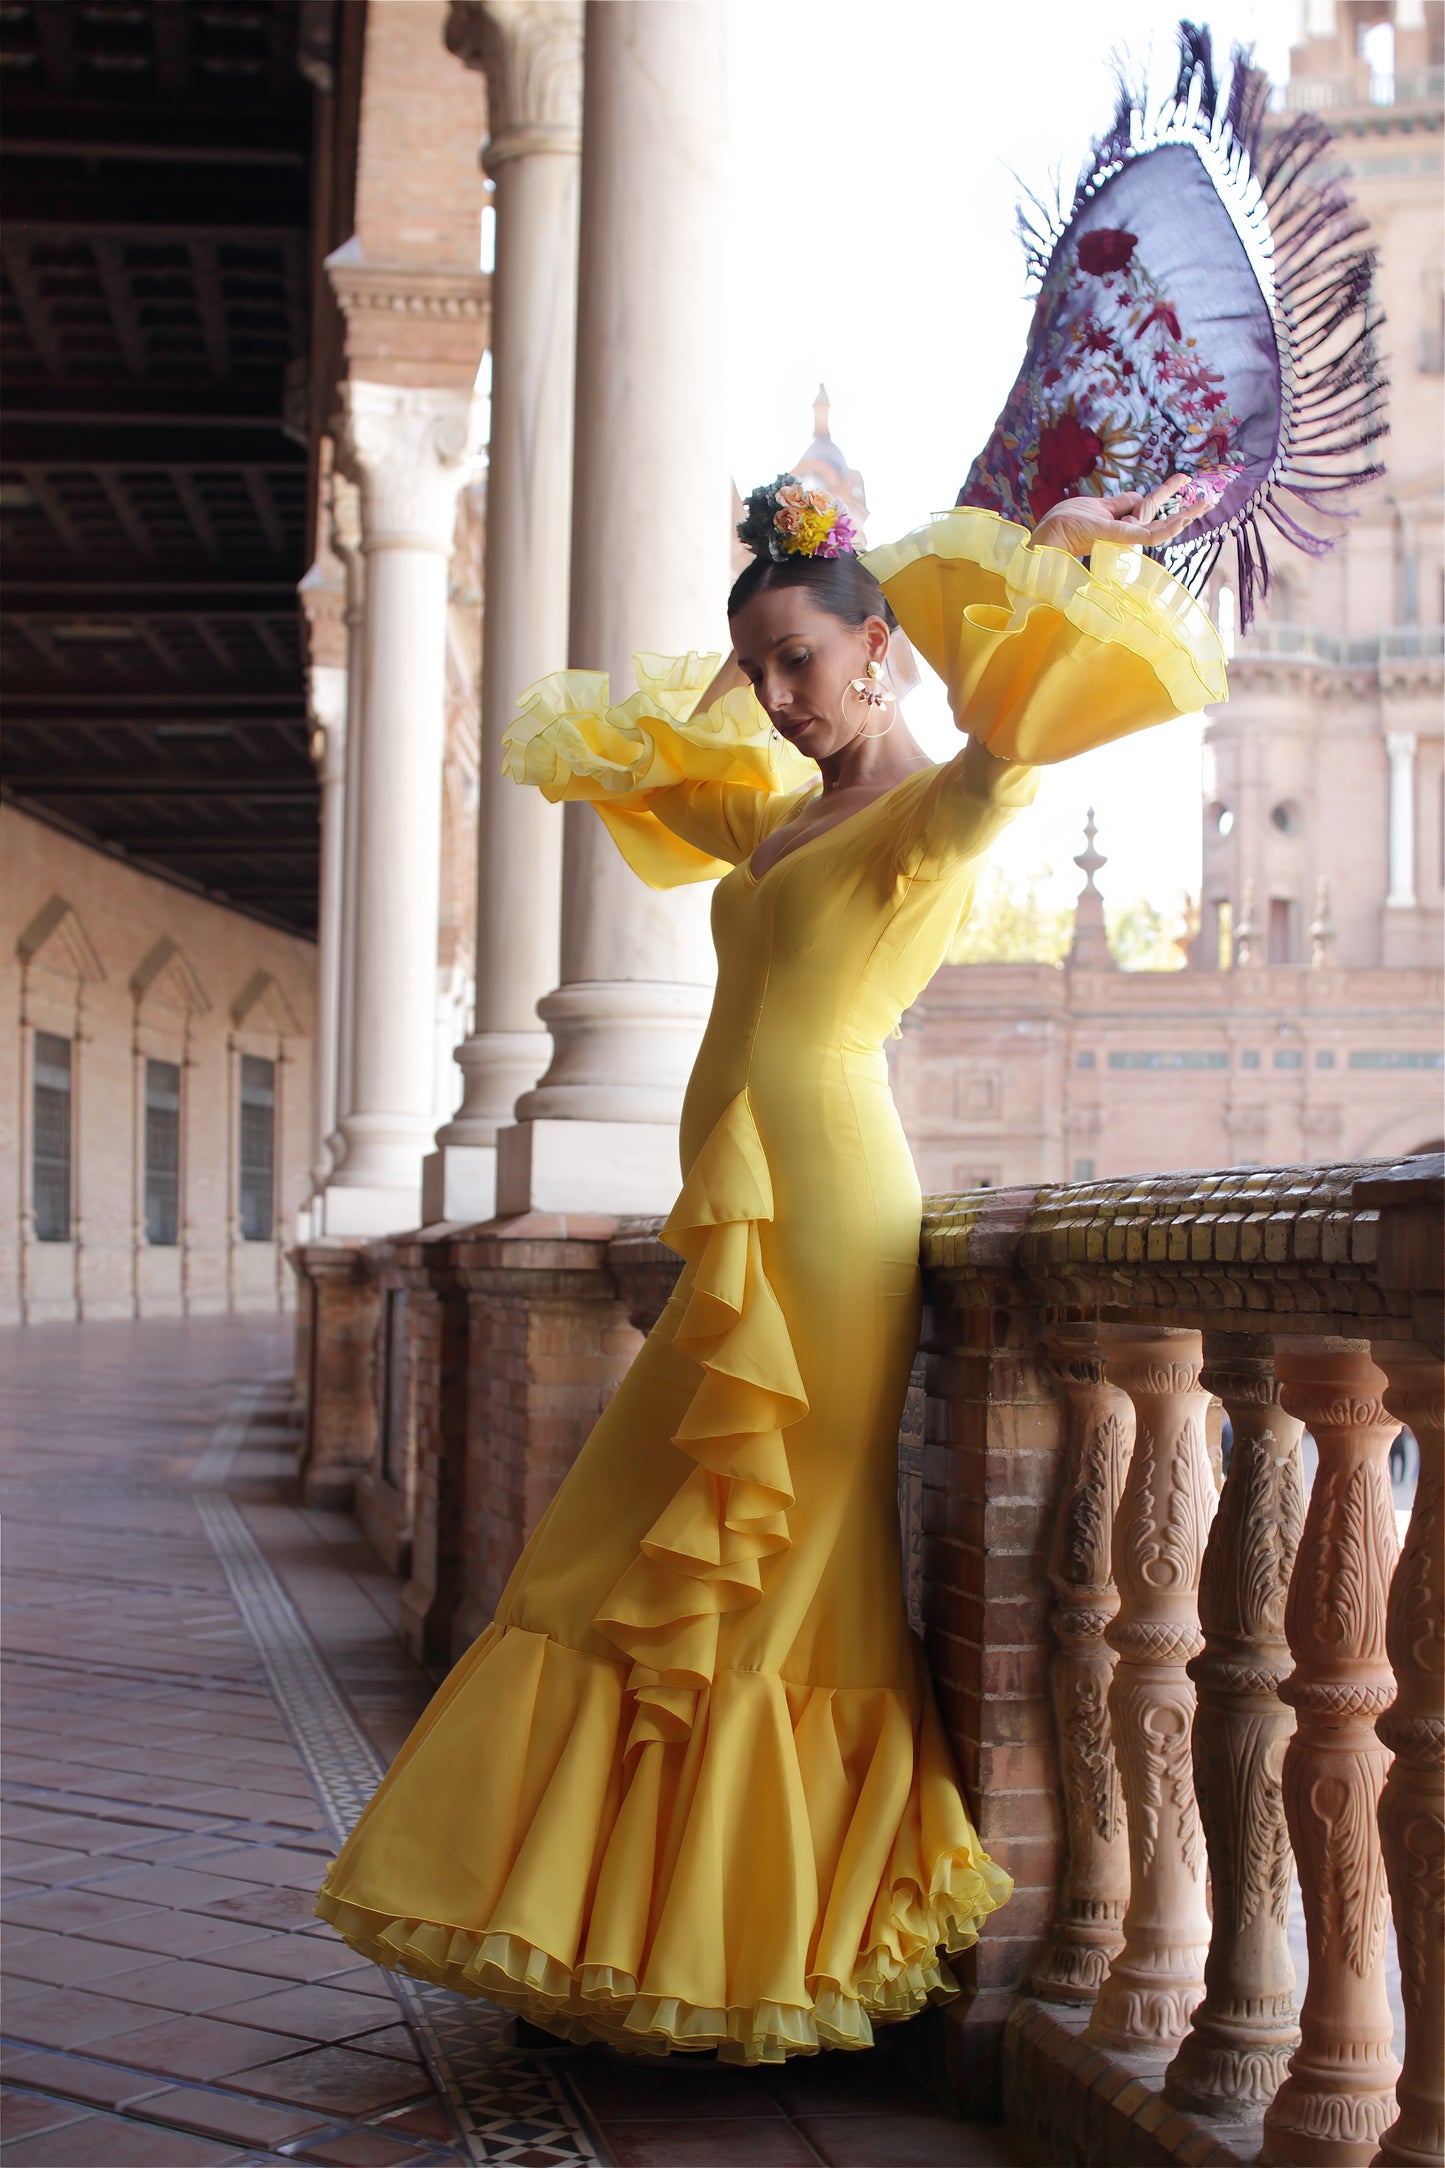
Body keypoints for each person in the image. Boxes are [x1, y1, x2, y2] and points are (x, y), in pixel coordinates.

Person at [314, 476, 1225, 2066]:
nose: (780, 696)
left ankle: (745, 1955)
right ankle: (627, 1926)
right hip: (745, 1219)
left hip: (822, 1227)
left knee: (780, 1585)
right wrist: (742, 653)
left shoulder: (930, 804)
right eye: (760, 668)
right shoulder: (780, 815)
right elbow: (646, 755)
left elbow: (1016, 740)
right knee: (626, 1566)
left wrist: (1075, 555)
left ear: (881, 648)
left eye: (803, 659)